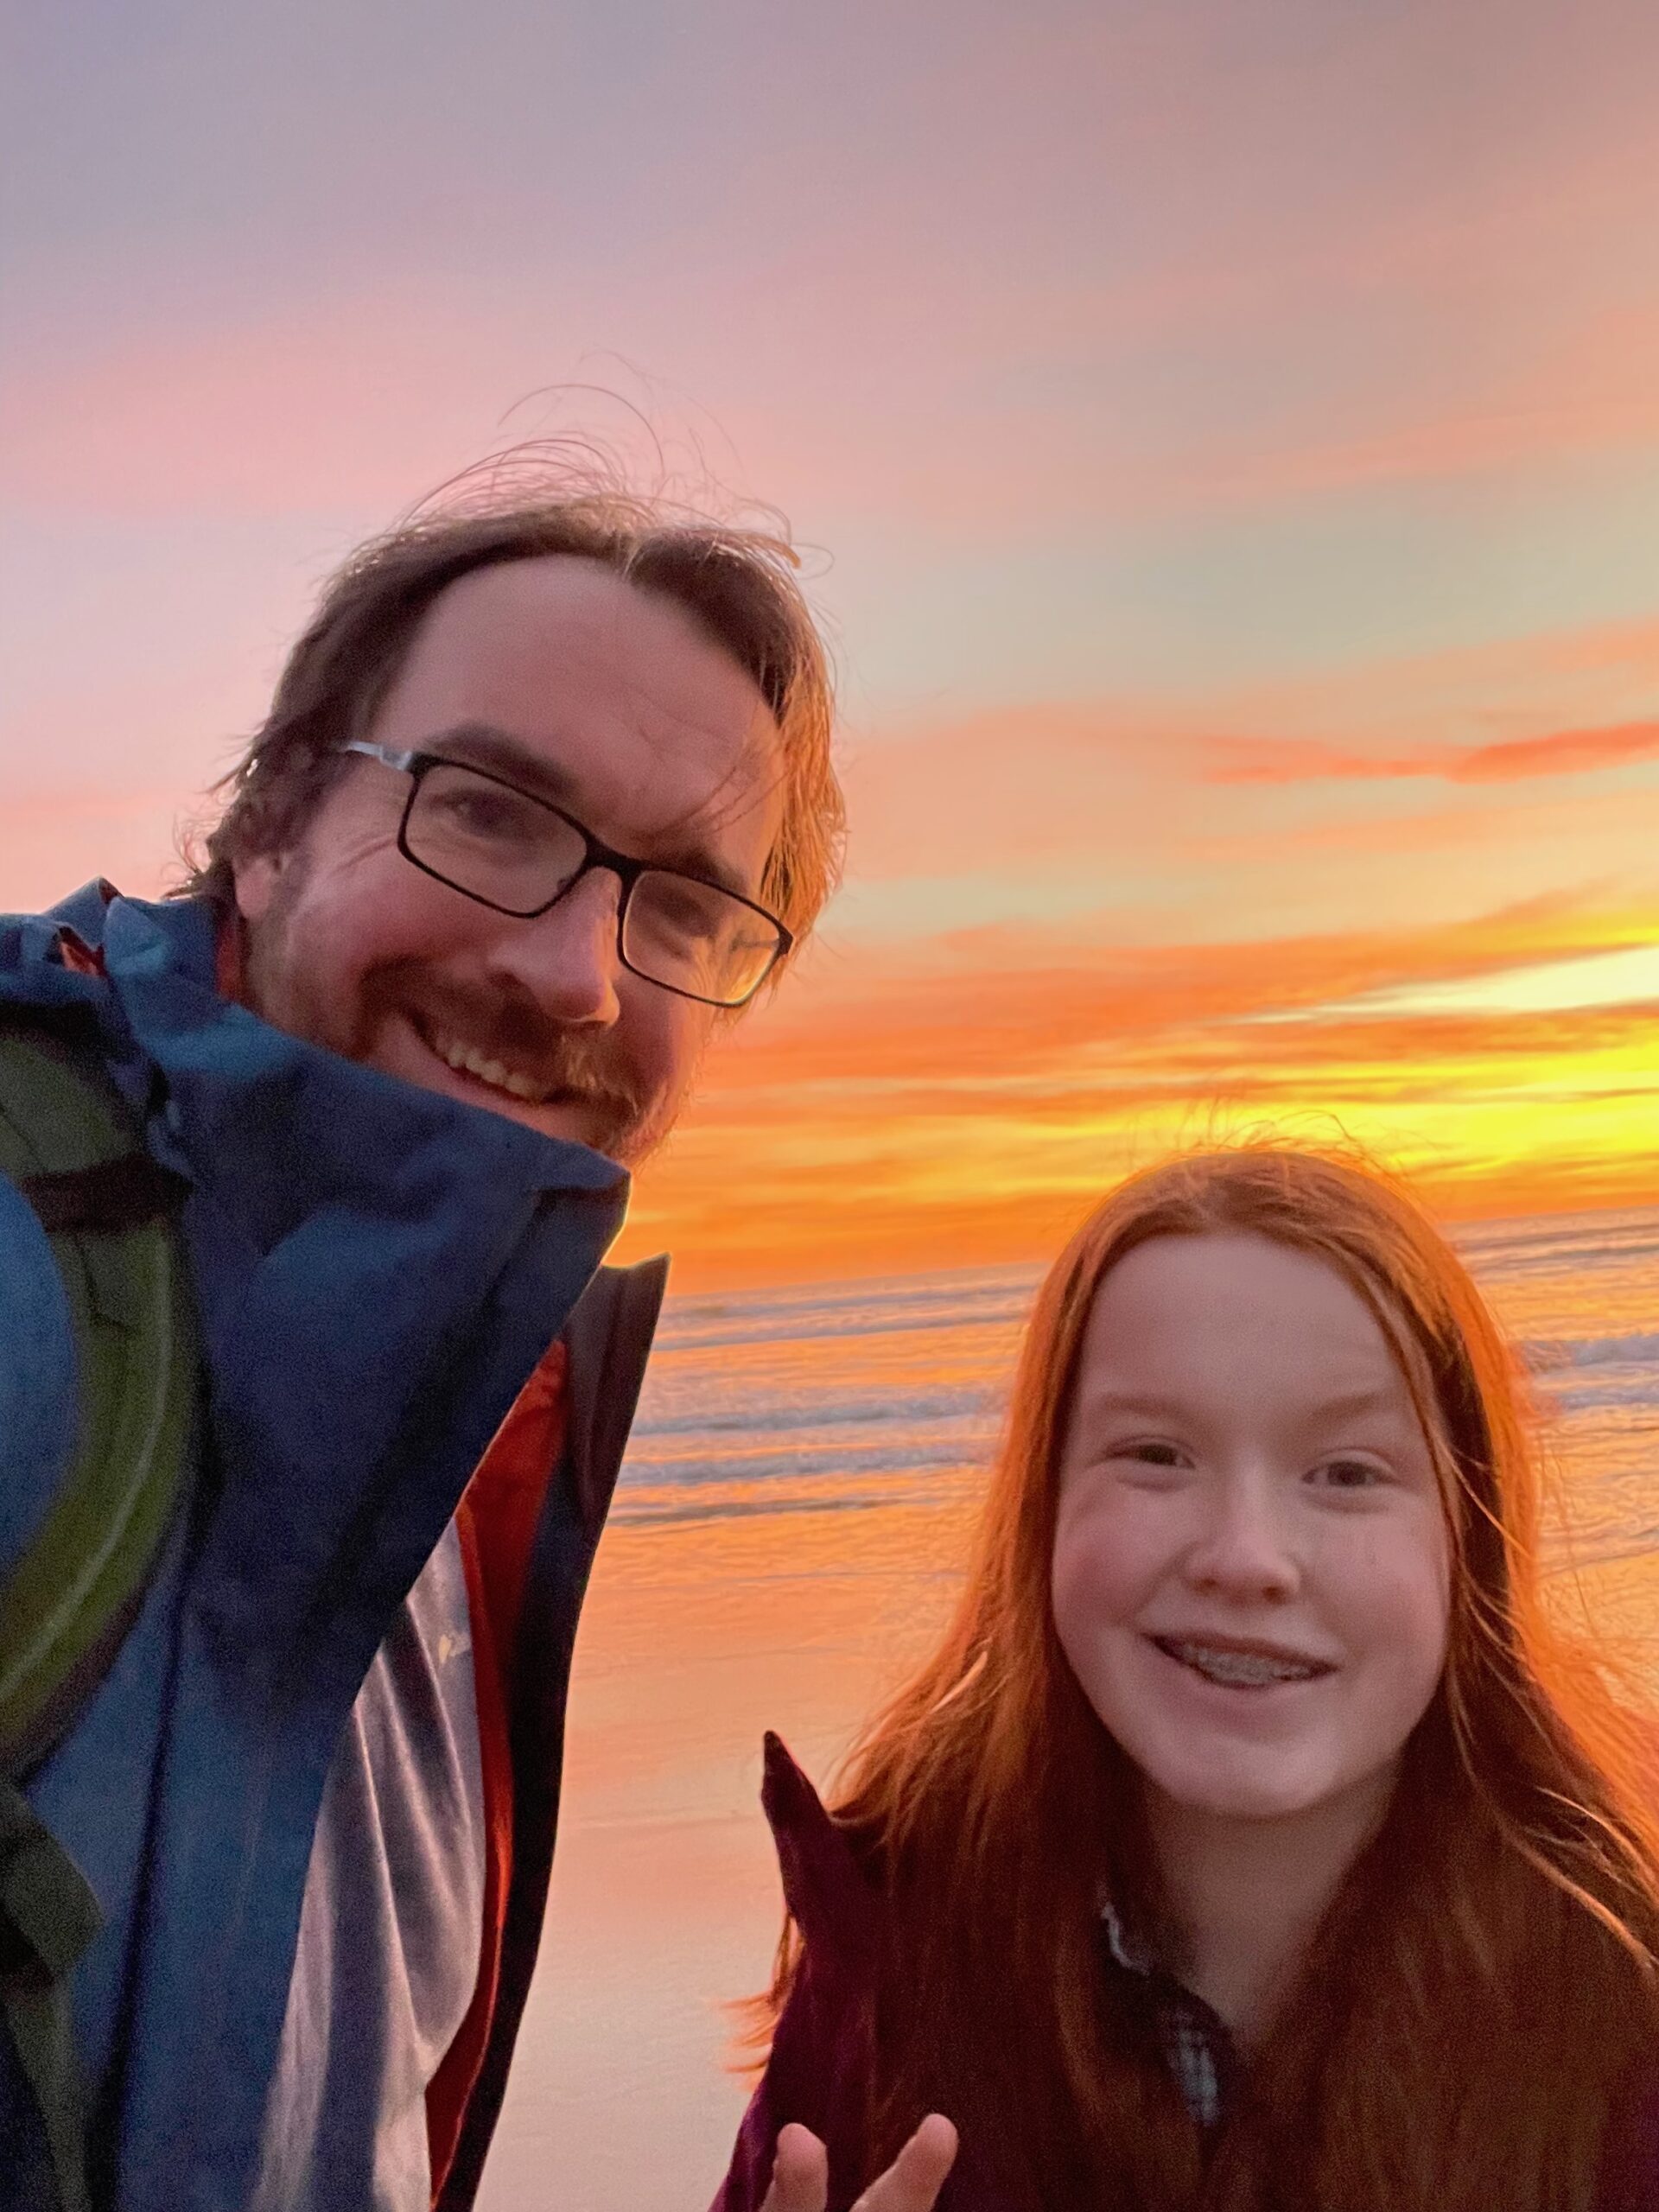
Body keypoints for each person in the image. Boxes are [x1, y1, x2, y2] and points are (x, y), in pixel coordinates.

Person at [1, 475, 854, 2212]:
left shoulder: (473, 1471)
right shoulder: (30, 1256)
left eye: (682, 908)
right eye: (489, 811)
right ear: (276, 818)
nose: (574, 974)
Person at [717, 1147, 1659, 2212]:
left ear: (1468, 1541)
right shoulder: (895, 1969)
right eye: (1157, 1455)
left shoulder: (1625, 1990)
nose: (1247, 1556)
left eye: (1346, 1472)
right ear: (1043, 1515)